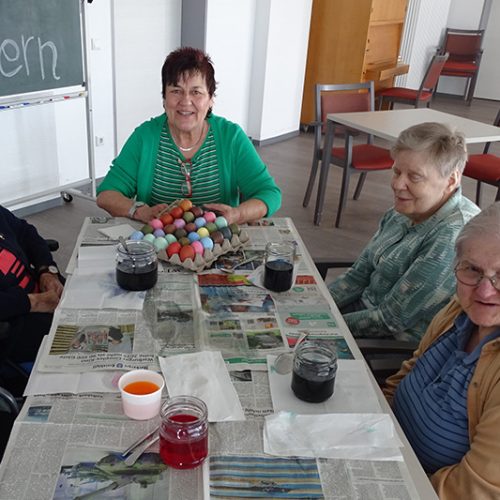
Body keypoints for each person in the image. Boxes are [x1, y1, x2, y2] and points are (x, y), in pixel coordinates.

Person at [383, 202, 500, 498]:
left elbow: (470, 490)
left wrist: (388, 482)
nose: (484, 291)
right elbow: (410, 370)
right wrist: (373, 421)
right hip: (385, 448)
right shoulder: (459, 309)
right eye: (472, 269)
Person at [328, 122, 480, 342]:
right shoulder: (404, 210)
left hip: (390, 343)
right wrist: (319, 306)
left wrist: (325, 324)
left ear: (451, 180)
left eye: (414, 177)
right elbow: (358, 275)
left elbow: (389, 320)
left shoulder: (453, 236)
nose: (398, 184)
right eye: (397, 172)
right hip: (363, 312)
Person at [96, 46, 281, 225]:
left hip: (218, 240)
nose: (185, 101)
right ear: (164, 98)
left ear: (211, 99)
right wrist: (139, 211)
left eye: (196, 92)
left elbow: (269, 193)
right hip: (157, 240)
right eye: (176, 91)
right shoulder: (145, 137)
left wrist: (237, 214)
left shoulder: (230, 137)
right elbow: (106, 194)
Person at [0, 205, 63, 363]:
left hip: (41, 289)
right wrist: (33, 302)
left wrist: (46, 271)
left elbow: (25, 232)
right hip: (14, 322)